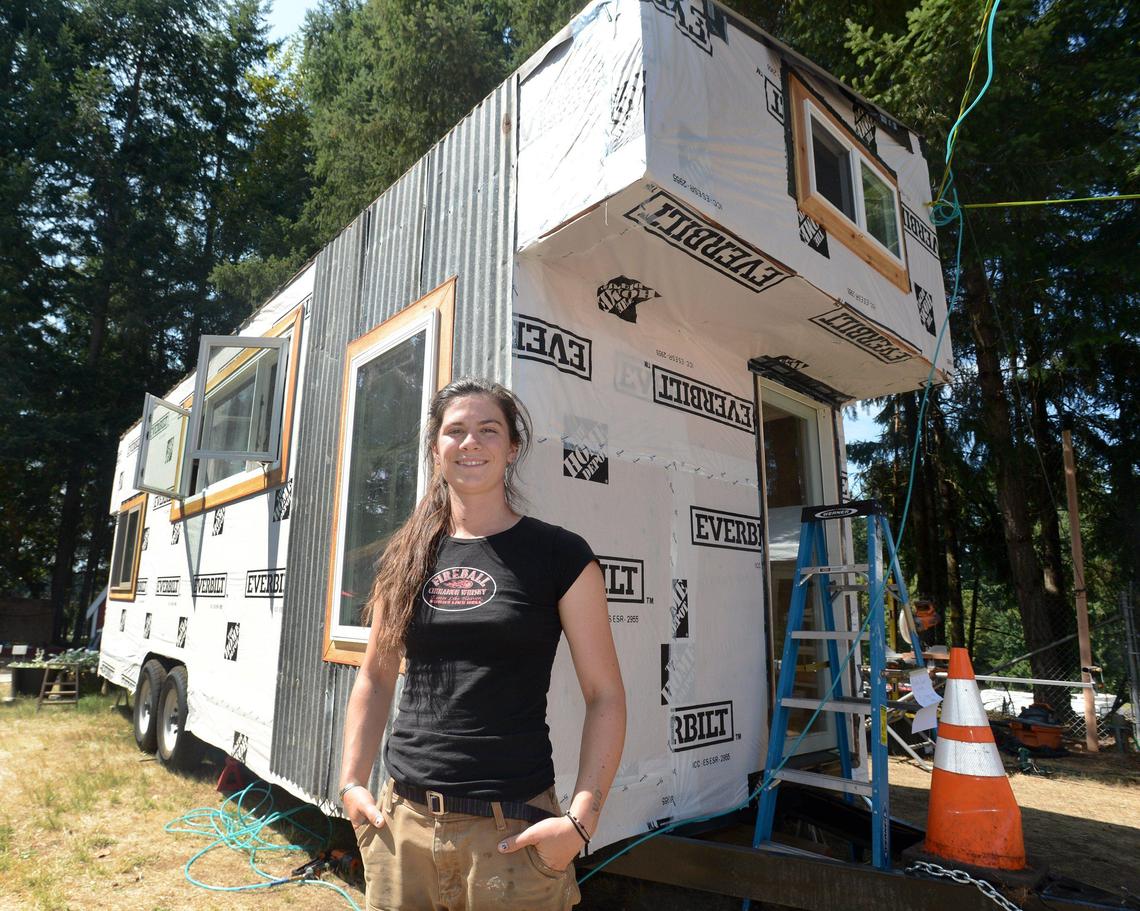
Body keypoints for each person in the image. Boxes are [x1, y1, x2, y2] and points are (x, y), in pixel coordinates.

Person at [338, 378, 626, 911]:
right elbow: (376, 677)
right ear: (435, 448)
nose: (471, 442)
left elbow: (605, 694)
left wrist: (581, 822)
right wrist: (352, 783)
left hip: (513, 834)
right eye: (456, 431)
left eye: (488, 430)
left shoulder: (559, 556)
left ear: (512, 447)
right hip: (404, 827)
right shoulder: (405, 556)